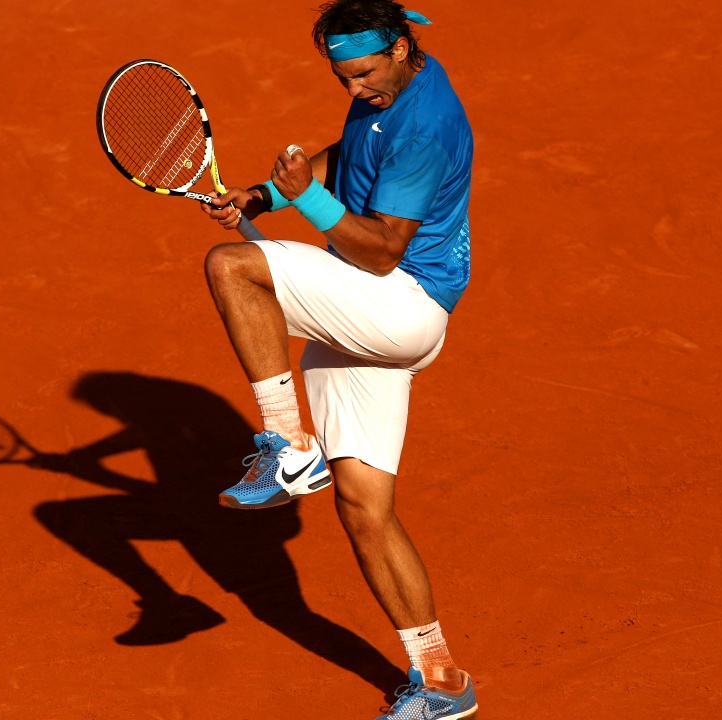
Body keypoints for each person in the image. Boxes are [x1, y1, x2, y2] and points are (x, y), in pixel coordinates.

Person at [201, 1, 477, 719]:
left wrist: (312, 203)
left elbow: (382, 249)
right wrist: (266, 194)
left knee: (235, 267)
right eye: (342, 77)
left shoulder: (425, 125)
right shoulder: (394, 91)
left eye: (363, 75)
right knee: (364, 510)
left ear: (399, 47)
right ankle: (442, 678)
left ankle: (290, 446)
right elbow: (352, 152)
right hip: (375, 310)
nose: (354, 90)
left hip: (397, 301)